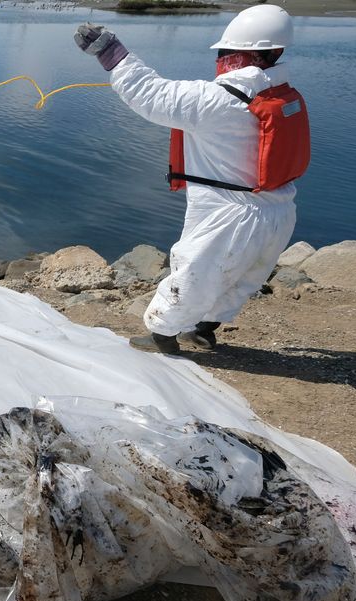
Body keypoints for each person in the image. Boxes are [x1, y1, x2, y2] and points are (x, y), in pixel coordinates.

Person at [75, 5, 308, 354]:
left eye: (225, 52)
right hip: (277, 211)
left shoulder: (221, 100)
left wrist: (111, 53)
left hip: (231, 214)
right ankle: (201, 330)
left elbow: (151, 94)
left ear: (236, 54)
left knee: (194, 273)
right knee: (241, 279)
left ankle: (161, 338)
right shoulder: (277, 93)